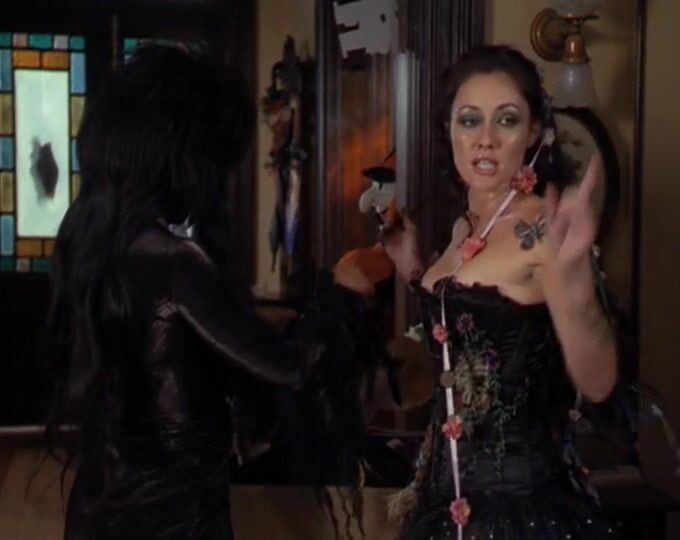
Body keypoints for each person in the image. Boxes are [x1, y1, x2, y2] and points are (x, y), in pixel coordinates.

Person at [44, 45, 367, 539]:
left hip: (100, 506)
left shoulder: (92, 240)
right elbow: (295, 369)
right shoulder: (174, 261)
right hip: (172, 518)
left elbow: (163, 348)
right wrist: (342, 296)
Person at [380, 45, 621, 539]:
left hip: (519, 508)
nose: (485, 139)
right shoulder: (463, 228)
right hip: (443, 501)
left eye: (506, 120)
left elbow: (598, 382)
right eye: (469, 120)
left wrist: (575, 286)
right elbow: (461, 340)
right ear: (448, 129)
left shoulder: (542, 231)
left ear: (533, 132)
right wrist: (415, 272)